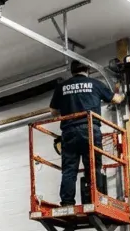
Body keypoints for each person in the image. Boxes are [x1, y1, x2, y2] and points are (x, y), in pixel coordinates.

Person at [49, 61, 125, 206]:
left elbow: (53, 111)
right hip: (90, 129)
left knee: (69, 169)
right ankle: (95, 199)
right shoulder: (95, 84)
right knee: (93, 167)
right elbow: (116, 99)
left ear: (72, 72)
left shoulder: (62, 87)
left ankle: (67, 202)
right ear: (87, 70)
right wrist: (122, 93)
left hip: (69, 131)